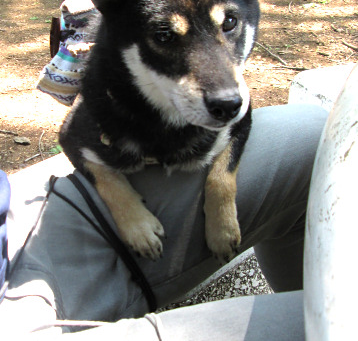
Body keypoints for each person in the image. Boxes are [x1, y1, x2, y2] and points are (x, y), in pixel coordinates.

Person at [0, 104, 328, 338]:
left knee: (312, 135)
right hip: (17, 321)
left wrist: (221, 185)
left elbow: (235, 103)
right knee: (336, 325)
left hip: (24, 213)